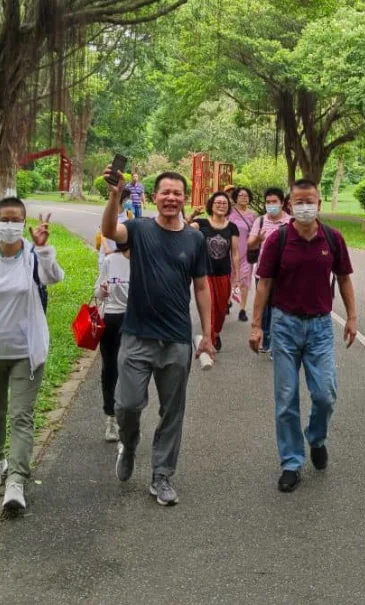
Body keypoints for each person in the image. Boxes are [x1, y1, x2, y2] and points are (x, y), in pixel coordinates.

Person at [101, 168, 214, 507]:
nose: (171, 198)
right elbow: (109, 230)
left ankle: (161, 475)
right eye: (165, 192)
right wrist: (113, 195)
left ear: (184, 199)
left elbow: (202, 286)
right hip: (136, 336)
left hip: (177, 339)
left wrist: (207, 334)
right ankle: (130, 443)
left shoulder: (195, 239)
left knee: (172, 411)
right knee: (127, 404)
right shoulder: (139, 229)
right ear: (154, 196)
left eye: (177, 193)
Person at [249, 179, 357, 493]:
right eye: (298, 201)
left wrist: (351, 317)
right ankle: (291, 462)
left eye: (310, 200)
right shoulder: (278, 240)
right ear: (289, 206)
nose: (305, 206)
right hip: (284, 325)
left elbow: (345, 280)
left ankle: (317, 437)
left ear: (320, 204)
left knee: (325, 394)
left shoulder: (333, 239)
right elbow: (264, 285)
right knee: (286, 400)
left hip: (321, 327)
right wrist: (257, 325)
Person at [0, 202, 64, 512]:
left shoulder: (32, 256)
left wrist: (44, 248)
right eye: (4, 219)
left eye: (16, 220)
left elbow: (54, 278)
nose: (9, 224)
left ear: (24, 223)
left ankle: (17, 480)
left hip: (27, 352)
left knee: (21, 416)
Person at [191, 191, 241, 351]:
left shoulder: (232, 227)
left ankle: (216, 332)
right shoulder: (202, 223)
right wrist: (192, 214)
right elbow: (183, 228)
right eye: (217, 202)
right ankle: (209, 341)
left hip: (223, 274)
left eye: (224, 203)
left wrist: (237, 276)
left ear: (228, 207)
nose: (221, 205)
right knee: (209, 308)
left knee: (220, 311)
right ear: (211, 205)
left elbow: (235, 252)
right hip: (204, 274)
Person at [246, 187, 291, 355]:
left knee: (279, 308)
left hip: (284, 274)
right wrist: (259, 238)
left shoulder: (290, 222)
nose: (271, 205)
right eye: (268, 202)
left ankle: (277, 343)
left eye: (274, 202)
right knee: (264, 307)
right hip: (263, 272)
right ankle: (265, 337)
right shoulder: (260, 221)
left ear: (282, 203)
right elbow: (250, 244)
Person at [96, 240, 130, 442]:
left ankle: (129, 419)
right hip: (112, 319)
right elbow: (97, 293)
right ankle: (111, 418)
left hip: (136, 321)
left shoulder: (146, 260)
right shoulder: (110, 260)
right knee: (110, 370)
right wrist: (103, 289)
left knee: (133, 370)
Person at [228, 186, 257, 321]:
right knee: (229, 278)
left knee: (245, 280)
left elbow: (255, 234)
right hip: (230, 252)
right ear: (235, 198)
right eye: (241, 196)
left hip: (246, 253)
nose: (244, 198)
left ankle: (242, 309)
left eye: (246, 196)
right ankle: (227, 301)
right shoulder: (229, 213)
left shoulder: (253, 216)